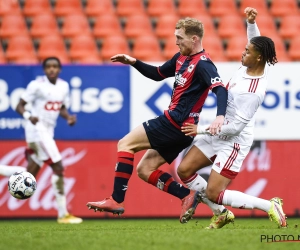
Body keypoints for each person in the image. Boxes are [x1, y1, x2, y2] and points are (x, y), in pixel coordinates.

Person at [87, 17, 230, 224]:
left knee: (125, 144)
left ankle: (116, 200)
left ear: (194, 38)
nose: (176, 42)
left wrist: (220, 116)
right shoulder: (181, 58)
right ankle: (186, 195)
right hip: (180, 132)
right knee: (144, 170)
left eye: (179, 38)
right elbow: (157, 74)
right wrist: (133, 62)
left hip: (173, 124)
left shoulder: (204, 64)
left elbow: (220, 90)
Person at [177, 8, 287, 228]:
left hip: (233, 140)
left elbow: (235, 128)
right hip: (218, 129)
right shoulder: (252, 65)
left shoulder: (253, 91)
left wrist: (201, 130)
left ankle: (269, 205)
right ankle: (222, 214)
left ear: (258, 57)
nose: (242, 53)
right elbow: (255, 41)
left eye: (247, 52)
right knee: (184, 170)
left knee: (215, 192)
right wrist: (251, 23)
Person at [0, 57, 82, 224]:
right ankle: (63, 214)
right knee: (58, 167)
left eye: (55, 66)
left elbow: (61, 107)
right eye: (49, 67)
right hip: (37, 130)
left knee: (28, 175)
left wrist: (68, 118)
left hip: (47, 131)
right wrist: (29, 116)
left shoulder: (64, 86)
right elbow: (19, 105)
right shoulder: (36, 85)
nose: (52, 69)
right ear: (44, 70)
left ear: (59, 69)